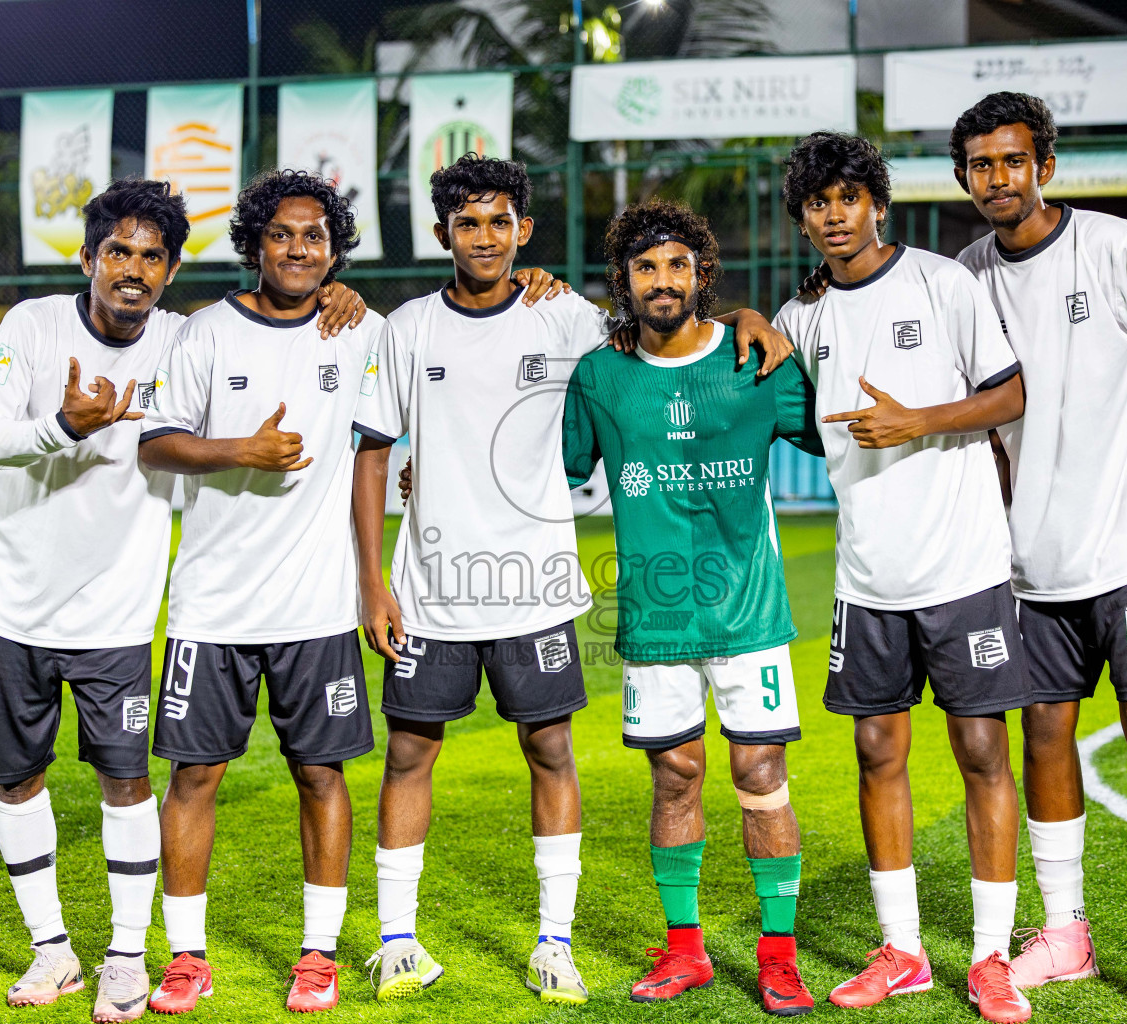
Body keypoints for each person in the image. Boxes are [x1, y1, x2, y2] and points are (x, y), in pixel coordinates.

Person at [351, 153, 792, 1005]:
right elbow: (373, 455)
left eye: (500, 220)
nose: (484, 236)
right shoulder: (405, 327)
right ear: (443, 233)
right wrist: (373, 582)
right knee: (408, 752)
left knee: (549, 750)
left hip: (538, 584)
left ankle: (554, 942)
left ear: (524, 229)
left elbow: (667, 326)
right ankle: (398, 941)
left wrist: (748, 312)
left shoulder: (569, 319)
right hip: (433, 588)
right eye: (467, 222)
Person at [951, 92, 1127, 1024]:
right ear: (964, 179)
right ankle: (1065, 933)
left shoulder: (1115, 249)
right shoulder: (965, 277)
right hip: (1031, 563)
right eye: (982, 165)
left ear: (1045, 166)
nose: (999, 178)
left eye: (1013, 160)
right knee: (1045, 736)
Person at [777, 132, 1032, 1023]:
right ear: (804, 219)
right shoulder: (801, 318)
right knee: (878, 752)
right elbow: (784, 407)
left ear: (876, 203)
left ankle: (994, 958)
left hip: (963, 566)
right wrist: (744, 323)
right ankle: (904, 950)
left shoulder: (940, 282)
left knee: (982, 751)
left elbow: (1009, 395)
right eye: (816, 204)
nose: (833, 215)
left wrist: (919, 420)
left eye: (847, 198)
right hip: (867, 577)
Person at [562, 199, 822, 1016]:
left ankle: (778, 957)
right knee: (675, 775)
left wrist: (768, 325)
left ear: (703, 275)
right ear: (625, 281)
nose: (662, 280)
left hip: (749, 609)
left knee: (760, 772)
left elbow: (835, 433)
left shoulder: (755, 360)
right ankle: (686, 951)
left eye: (678, 265)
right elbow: (558, 472)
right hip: (657, 616)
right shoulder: (600, 377)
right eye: (646, 267)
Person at [136, 169, 374, 1015]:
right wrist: (240, 449)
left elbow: (379, 450)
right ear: (255, 244)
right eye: (282, 234)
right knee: (195, 775)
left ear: (335, 248)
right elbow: (157, 444)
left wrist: (373, 584)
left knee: (321, 775)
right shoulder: (205, 334)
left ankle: (319, 954)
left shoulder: (361, 330)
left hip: (316, 607)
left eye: (315, 236)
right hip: (214, 604)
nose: (299, 249)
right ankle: (186, 956)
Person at [0, 178, 187, 1024]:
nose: (133, 269)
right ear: (87, 258)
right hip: (12, 606)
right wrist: (64, 425)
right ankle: (52, 951)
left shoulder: (183, 342)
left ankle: (126, 958)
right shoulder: (34, 325)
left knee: (126, 783)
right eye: (118, 251)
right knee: (18, 781)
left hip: (115, 615)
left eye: (151, 256)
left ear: (169, 271)